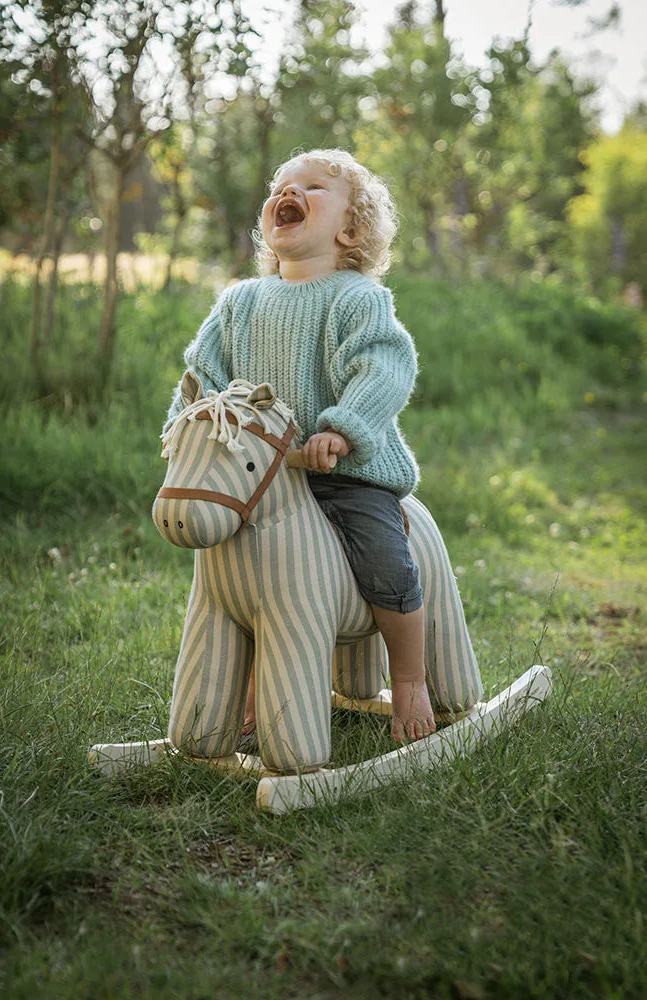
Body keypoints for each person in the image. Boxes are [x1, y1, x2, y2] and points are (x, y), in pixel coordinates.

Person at [165, 148, 436, 743]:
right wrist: (184, 433)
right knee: (245, 571)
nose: (290, 191)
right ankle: (253, 685)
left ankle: (411, 678)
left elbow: (383, 368)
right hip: (257, 476)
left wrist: (341, 429)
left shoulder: (357, 298)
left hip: (346, 472)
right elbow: (202, 378)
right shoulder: (239, 302)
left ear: (350, 228)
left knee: (384, 560)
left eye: (313, 186)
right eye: (282, 185)